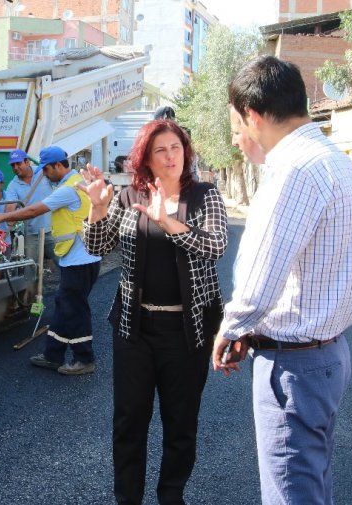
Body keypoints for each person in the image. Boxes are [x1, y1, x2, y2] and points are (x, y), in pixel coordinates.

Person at [212, 55, 352, 505]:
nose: (238, 139)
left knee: (291, 493)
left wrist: (232, 327)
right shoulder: (334, 161)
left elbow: (262, 275)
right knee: (311, 484)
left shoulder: (293, 171)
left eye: (237, 127)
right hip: (325, 355)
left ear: (253, 115)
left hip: (294, 367)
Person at [80, 119, 228, 505]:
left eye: (176, 148)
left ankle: (170, 495)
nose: (170, 156)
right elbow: (98, 245)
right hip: (136, 326)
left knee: (181, 424)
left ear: (186, 153)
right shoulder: (130, 197)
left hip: (187, 328)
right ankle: (127, 498)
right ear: (146, 157)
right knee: (129, 421)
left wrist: (169, 222)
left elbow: (215, 246)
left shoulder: (205, 196)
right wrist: (97, 208)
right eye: (160, 149)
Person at [0, 146, 101, 375]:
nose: (44, 174)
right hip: (78, 257)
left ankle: (84, 358)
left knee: (75, 308)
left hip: (80, 259)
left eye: (46, 170)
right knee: (63, 304)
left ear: (58, 165)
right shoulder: (75, 181)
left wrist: (1, 217)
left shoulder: (69, 188)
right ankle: (53, 354)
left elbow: (33, 211)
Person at [4, 148, 56, 266]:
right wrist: (8, 219)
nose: (16, 167)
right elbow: (10, 208)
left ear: (27, 162)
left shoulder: (42, 172)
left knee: (63, 263)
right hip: (32, 233)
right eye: (13, 165)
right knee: (31, 269)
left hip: (53, 229)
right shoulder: (13, 185)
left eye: (19, 163)